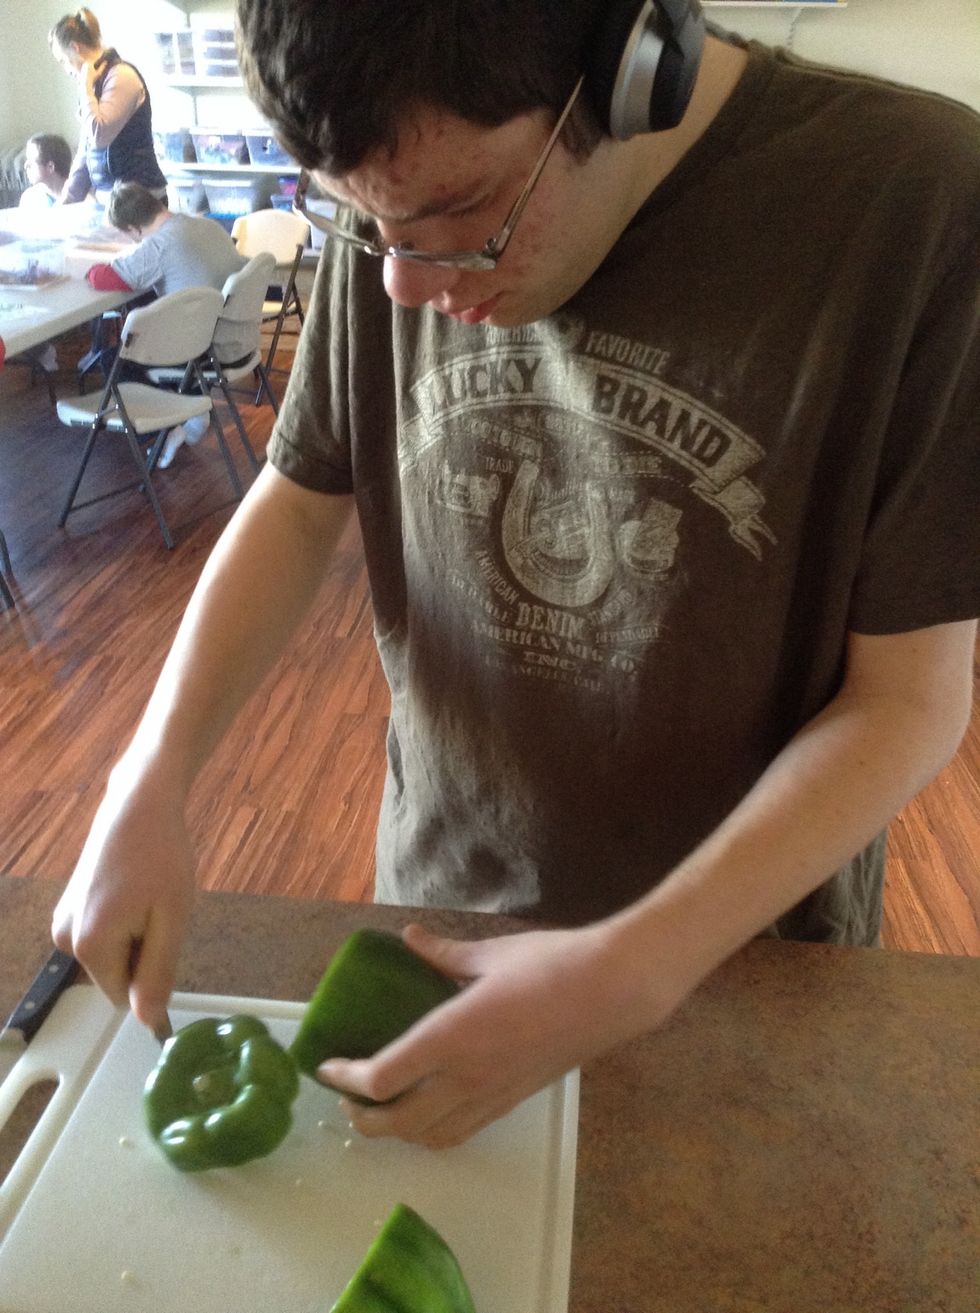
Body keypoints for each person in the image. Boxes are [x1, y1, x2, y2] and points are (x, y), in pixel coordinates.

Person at [53, 1, 979, 1150]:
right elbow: (296, 504)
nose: (401, 281)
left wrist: (630, 969)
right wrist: (150, 773)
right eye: (358, 220)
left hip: (739, 961)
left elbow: (908, 699)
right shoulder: (399, 194)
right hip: (441, 903)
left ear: (639, 69)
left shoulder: (920, 203)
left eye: (460, 214)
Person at [85, 182, 248, 465]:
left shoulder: (160, 243)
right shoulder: (206, 226)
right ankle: (192, 405)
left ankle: (167, 429)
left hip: (200, 352)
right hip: (234, 340)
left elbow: (104, 277)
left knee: (113, 358)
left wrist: (88, 269)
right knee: (148, 316)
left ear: (133, 229)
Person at [49, 8, 167, 206]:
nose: (67, 70)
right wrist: (66, 202)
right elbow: (86, 149)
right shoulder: (96, 84)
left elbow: (99, 136)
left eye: (63, 60)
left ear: (75, 48)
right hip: (113, 200)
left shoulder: (121, 76)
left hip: (142, 200)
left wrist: (86, 86)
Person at [19, 133, 73, 211]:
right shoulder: (29, 198)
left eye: (31, 162)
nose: (25, 166)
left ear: (50, 167)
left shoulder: (81, 198)